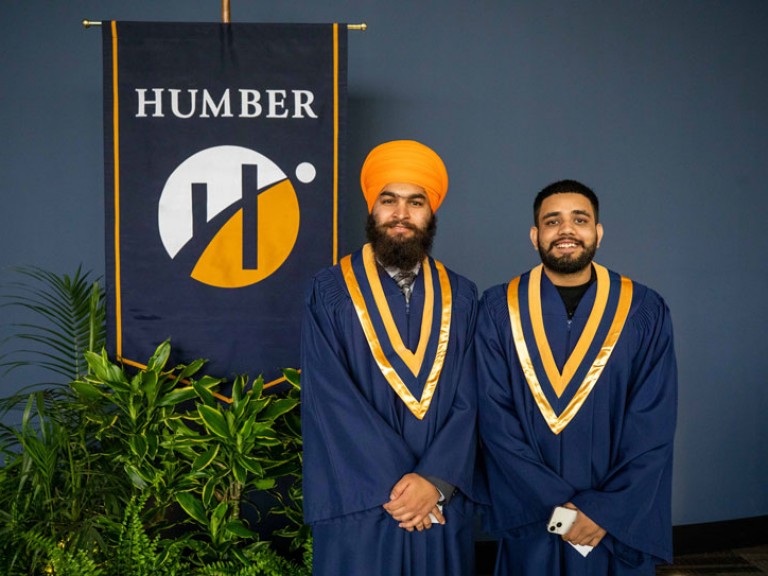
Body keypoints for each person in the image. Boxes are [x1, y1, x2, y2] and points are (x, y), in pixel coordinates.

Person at [301, 139, 486, 575]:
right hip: (360, 498)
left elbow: (473, 397)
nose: (401, 214)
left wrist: (435, 482)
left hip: (440, 502)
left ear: (431, 212)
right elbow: (330, 398)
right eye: (389, 200)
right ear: (372, 208)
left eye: (415, 202)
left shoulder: (463, 295)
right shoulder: (328, 292)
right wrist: (404, 491)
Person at [476, 179, 677, 575]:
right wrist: (562, 514)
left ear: (597, 233)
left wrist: (602, 511)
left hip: (612, 522)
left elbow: (653, 422)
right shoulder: (500, 308)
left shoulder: (643, 310)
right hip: (533, 515)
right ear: (535, 235)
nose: (566, 230)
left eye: (580, 220)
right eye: (553, 221)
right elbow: (494, 420)